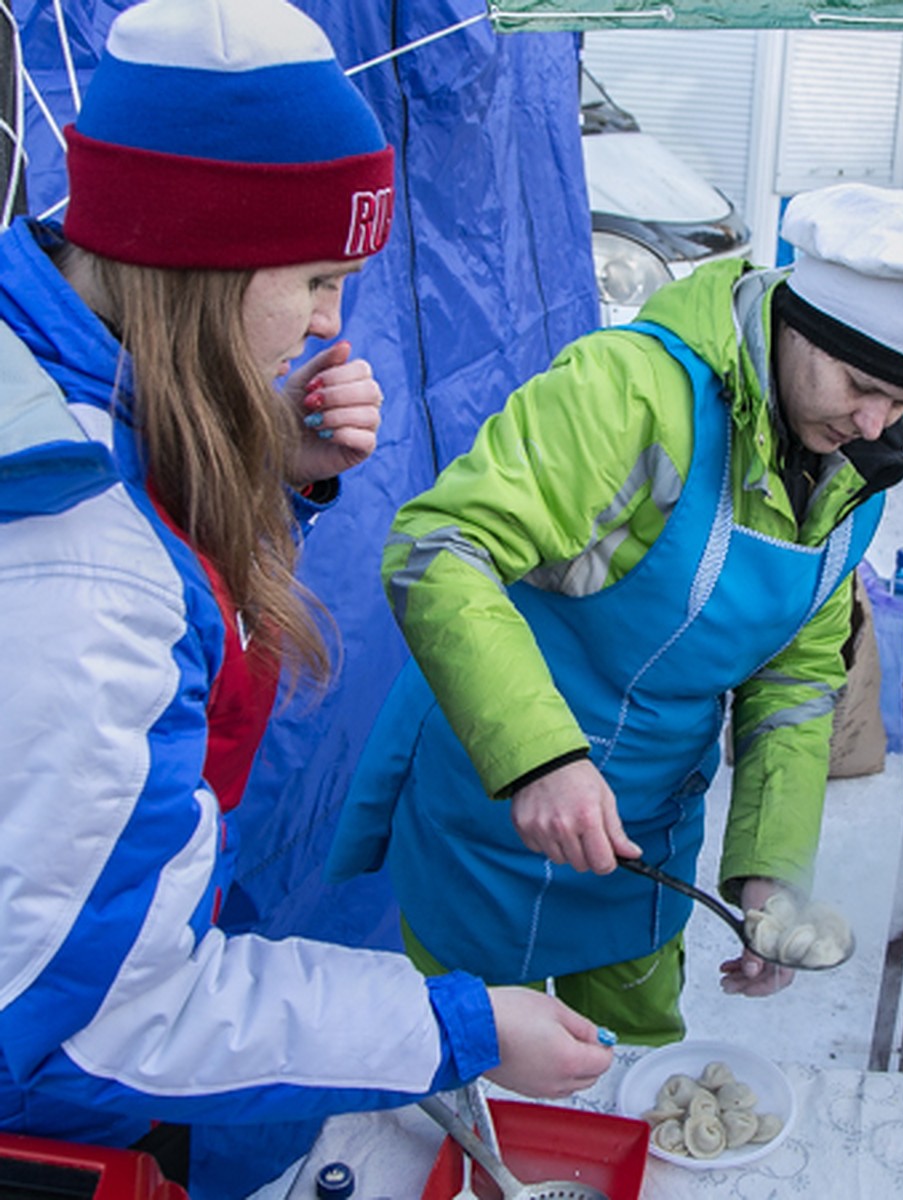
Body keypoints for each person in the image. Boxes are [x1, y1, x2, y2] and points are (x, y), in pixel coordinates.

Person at [0, 0, 613, 1175]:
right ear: (202, 255)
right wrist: (463, 1027)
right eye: (322, 278)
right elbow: (107, 1015)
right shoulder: (77, 565)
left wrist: (262, 473)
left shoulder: (70, 367)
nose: (334, 322)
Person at [328, 183, 903, 1045]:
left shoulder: (855, 470)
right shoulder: (632, 394)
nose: (875, 423)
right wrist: (538, 759)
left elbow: (798, 682)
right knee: (477, 1066)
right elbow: (439, 549)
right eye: (860, 384)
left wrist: (772, 878)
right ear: (799, 324)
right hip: (494, 798)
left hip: (646, 842)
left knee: (631, 1075)